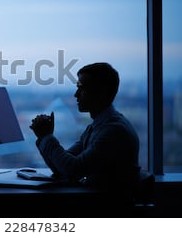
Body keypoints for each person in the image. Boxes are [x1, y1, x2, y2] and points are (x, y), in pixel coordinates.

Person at [29, 62, 141, 202]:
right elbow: (62, 169)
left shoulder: (114, 132)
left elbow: (73, 170)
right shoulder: (100, 126)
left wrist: (46, 137)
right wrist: (44, 137)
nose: (76, 94)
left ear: (102, 92)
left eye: (81, 89)